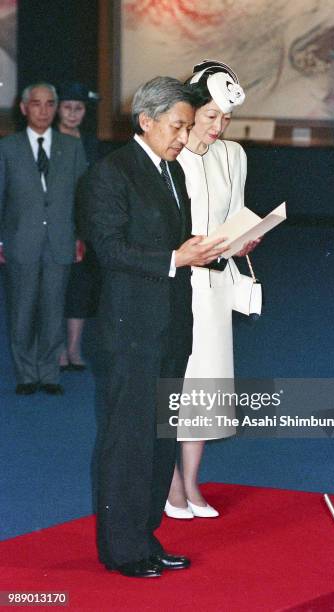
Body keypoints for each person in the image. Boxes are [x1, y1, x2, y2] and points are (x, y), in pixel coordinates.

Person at [83, 76, 227, 578]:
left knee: (160, 438)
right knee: (127, 439)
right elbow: (111, 249)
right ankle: (121, 550)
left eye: (188, 127)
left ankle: (145, 536)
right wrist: (174, 256)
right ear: (146, 121)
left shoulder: (172, 173)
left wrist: (215, 251)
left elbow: (177, 243)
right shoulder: (111, 173)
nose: (184, 138)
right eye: (178, 126)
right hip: (130, 329)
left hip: (170, 326)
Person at [165, 60, 260, 520]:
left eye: (226, 119)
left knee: (209, 389)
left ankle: (191, 483)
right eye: (210, 118)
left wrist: (246, 238)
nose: (219, 128)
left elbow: (235, 214)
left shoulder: (234, 155)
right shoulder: (170, 153)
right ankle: (171, 486)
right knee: (178, 387)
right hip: (180, 287)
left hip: (218, 286)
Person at [0, 82, 87, 395]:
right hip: (20, 241)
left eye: (50, 103)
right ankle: (26, 374)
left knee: (53, 308)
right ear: (24, 108)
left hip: (61, 240)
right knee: (22, 310)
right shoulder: (7, 148)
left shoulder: (71, 147)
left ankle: (49, 373)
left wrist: (80, 236)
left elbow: (81, 197)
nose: (44, 110)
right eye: (36, 104)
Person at [56, 81, 101, 372]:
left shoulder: (89, 143)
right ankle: (56, 347)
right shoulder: (45, 140)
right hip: (53, 226)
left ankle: (74, 348)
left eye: (79, 108)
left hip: (84, 227)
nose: (73, 114)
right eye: (68, 107)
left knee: (79, 290)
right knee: (52, 289)